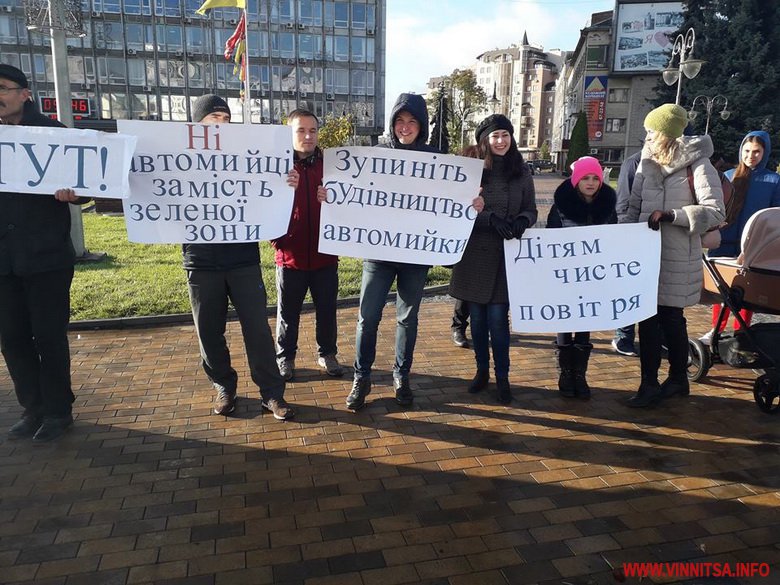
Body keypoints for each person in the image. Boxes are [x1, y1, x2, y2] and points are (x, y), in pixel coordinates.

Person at [340, 93, 483, 410]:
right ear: (392, 124)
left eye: (412, 121)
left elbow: (451, 202)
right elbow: (350, 193)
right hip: (378, 255)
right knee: (367, 318)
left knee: (407, 319)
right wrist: (331, 193)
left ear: (422, 125)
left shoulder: (436, 160)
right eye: (399, 121)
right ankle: (361, 378)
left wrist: (472, 204)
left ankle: (401, 377)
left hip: (415, 256)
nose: (405, 127)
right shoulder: (375, 156)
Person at [182, 94, 294, 420]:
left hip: (242, 258)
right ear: (196, 124)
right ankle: (224, 387)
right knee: (209, 331)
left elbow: (270, 189)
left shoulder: (247, 156)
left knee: (257, 330)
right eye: (213, 119)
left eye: (225, 119)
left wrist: (287, 183)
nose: (221, 125)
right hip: (200, 260)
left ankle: (271, 393)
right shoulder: (179, 158)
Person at [0, 64, 89, 442]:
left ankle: (57, 411)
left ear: (24, 93)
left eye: (2, 88)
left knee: (49, 336)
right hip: (4, 259)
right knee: (12, 338)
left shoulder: (54, 136)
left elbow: (87, 184)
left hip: (47, 257)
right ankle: (32, 407)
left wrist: (75, 194)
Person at [620, 104, 724, 408]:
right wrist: (622, 236)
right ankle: (649, 384)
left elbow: (716, 212)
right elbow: (634, 207)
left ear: (667, 133)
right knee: (647, 322)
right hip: (646, 257)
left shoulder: (699, 164)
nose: (648, 136)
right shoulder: (647, 162)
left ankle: (677, 378)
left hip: (677, 258)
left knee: (672, 320)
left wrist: (673, 215)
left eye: (652, 131)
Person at [449, 114, 538, 405]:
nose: (501, 141)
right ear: (484, 139)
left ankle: (503, 378)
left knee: (498, 321)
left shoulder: (520, 171)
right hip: (475, 255)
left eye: (505, 135)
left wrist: (523, 221)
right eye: (495, 136)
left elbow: (531, 208)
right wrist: (489, 219)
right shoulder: (471, 169)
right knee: (477, 320)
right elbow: (458, 206)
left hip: (505, 257)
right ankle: (481, 372)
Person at [272, 109, 343, 381]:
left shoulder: (332, 166)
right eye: (301, 130)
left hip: (325, 256)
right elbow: (263, 208)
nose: (308, 136)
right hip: (290, 257)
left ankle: (327, 354)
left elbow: (351, 204)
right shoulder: (276, 166)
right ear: (290, 133)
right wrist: (279, 243)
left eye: (312, 130)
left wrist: (332, 198)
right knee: (288, 313)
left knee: (327, 310)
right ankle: (285, 358)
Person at [700, 131, 780, 345]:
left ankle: (741, 333)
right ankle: (715, 330)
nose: (751, 156)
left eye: (756, 152)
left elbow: (773, 217)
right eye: (746, 151)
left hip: (752, 246)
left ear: (764, 153)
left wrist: (755, 248)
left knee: (746, 292)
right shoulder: (728, 175)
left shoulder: (773, 180)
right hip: (724, 242)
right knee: (721, 289)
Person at [547, 156, 617, 399]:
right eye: (585, 178)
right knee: (566, 322)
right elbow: (550, 241)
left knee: (585, 322)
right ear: (576, 180)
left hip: (593, 276)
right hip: (566, 276)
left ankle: (580, 374)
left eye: (595, 178)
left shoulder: (608, 208)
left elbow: (614, 239)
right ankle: (565, 373)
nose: (590, 182)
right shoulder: (560, 207)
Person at [611, 150, 642, 356]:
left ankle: (661, 337)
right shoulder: (634, 163)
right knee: (628, 285)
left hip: (669, 235)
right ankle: (624, 334)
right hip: (636, 235)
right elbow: (623, 203)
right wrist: (626, 236)